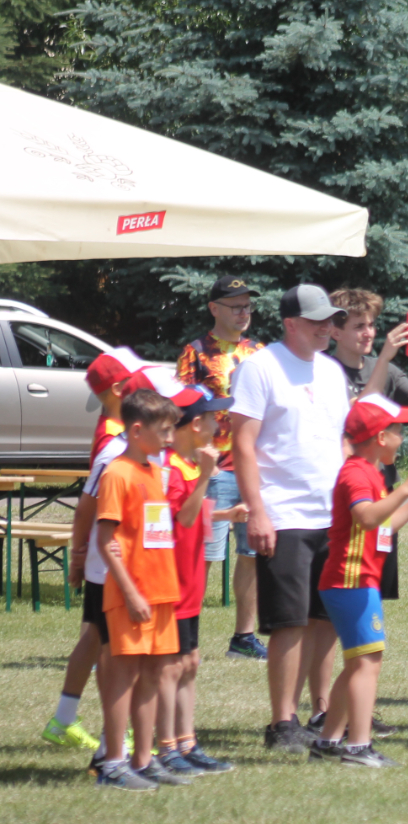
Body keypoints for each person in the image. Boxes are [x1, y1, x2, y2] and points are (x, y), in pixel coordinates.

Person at [229, 284, 350, 752]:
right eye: (318, 319)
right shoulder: (260, 367)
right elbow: (243, 443)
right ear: (290, 323)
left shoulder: (332, 370)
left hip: (331, 514)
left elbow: (340, 440)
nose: (327, 326)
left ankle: (318, 712)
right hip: (284, 512)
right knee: (288, 621)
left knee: (325, 619)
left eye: (330, 319)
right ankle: (282, 723)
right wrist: (256, 510)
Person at [79, 368, 203, 778]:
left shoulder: (155, 472)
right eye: (164, 431)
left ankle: (143, 760)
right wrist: (130, 592)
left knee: (152, 676)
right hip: (131, 594)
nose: (171, 438)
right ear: (136, 431)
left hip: (162, 592)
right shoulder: (118, 472)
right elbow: (105, 538)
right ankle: (112, 762)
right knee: (124, 677)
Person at [310, 395, 408, 767]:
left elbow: (381, 528)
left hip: (358, 580)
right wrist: (406, 487)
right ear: (381, 437)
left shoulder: (371, 472)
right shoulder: (355, 472)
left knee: (358, 661)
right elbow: (366, 518)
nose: (402, 436)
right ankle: (358, 746)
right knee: (369, 661)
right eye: (398, 430)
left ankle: (329, 741)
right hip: (350, 581)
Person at [41, 346, 145, 751]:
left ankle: (65, 719)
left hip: (104, 558)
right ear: (121, 388)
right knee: (110, 647)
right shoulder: (116, 441)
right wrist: (79, 554)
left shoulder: (116, 429)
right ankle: (114, 736)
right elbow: (87, 508)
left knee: (94, 637)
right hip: (109, 560)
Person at [327, 288, 408, 604]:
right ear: (335, 331)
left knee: (375, 573)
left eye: (371, 324)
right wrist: (383, 358)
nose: (369, 333)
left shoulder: (388, 370)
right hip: (346, 483)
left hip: (380, 481)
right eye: (359, 326)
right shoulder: (324, 370)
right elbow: (360, 413)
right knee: (345, 574)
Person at [176, 274, 267, 661]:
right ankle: (184, 630)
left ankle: (243, 637)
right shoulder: (195, 352)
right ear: (215, 309)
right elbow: (180, 411)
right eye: (236, 306)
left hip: (250, 467)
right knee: (202, 550)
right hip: (210, 468)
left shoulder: (261, 353)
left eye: (247, 306)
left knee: (251, 553)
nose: (244, 313)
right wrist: (199, 461)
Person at [155, 385, 242, 775]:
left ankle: (188, 743)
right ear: (193, 425)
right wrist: (208, 477)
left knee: (190, 662)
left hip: (189, 584)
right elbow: (183, 518)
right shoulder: (175, 469)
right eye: (210, 417)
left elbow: (193, 519)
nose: (216, 422)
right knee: (172, 666)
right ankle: (167, 747)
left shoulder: (190, 466)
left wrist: (226, 516)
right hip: (172, 584)